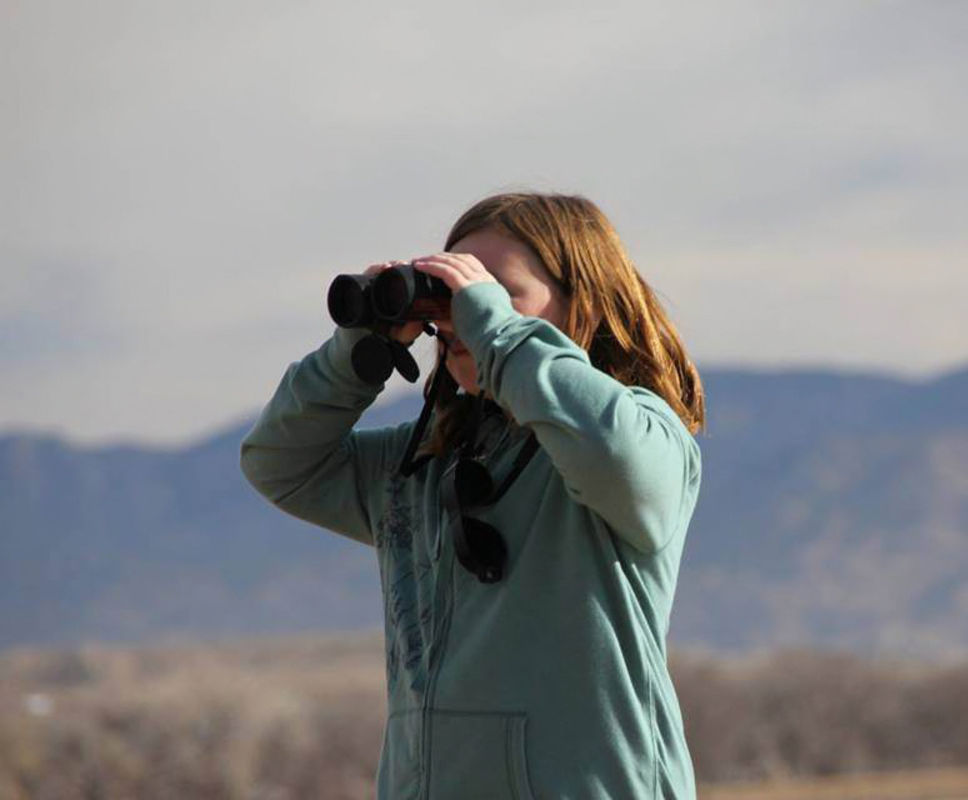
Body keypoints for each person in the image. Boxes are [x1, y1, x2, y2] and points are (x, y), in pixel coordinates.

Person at [240, 192, 706, 799]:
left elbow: (614, 455)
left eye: (495, 292)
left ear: (584, 305)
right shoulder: (423, 462)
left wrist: (498, 332)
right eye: (450, 295)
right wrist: (355, 355)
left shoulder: (644, 434)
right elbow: (280, 463)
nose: (462, 316)